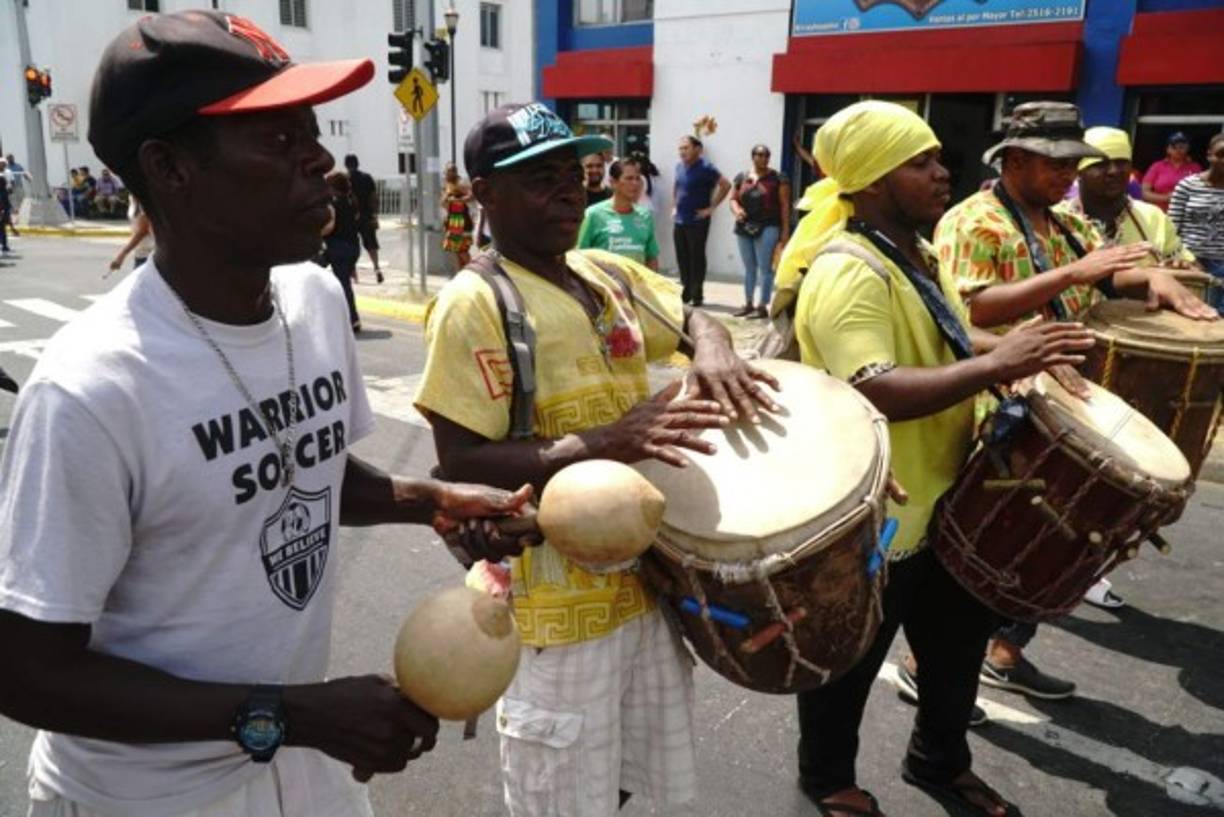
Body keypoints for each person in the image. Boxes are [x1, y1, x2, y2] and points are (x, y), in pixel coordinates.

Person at [0, 12, 538, 817]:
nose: (320, 159)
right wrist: (290, 714)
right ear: (169, 168)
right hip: (144, 793)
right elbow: (28, 671)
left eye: (312, 132)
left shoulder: (314, 299)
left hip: (294, 764)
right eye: (279, 139)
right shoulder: (93, 389)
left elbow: (297, 465)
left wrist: (428, 500)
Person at [414, 101, 779, 817]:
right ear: (484, 194)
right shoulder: (476, 302)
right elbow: (460, 461)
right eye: (537, 177)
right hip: (554, 613)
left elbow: (691, 316)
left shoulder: (604, 272)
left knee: (625, 783)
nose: (566, 190)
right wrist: (609, 441)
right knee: (563, 801)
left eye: (570, 172)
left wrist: (711, 346)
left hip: (645, 590)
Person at [790, 100, 1093, 817]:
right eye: (919, 163)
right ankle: (827, 779)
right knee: (849, 666)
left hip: (944, 500)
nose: (941, 172)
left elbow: (955, 334)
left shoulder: (914, 255)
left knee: (954, 659)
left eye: (936, 158)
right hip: (875, 516)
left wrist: (1028, 353)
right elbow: (875, 387)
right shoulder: (850, 270)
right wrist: (998, 365)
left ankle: (937, 761)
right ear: (869, 181)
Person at [934, 101, 1211, 702]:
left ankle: (1004, 652)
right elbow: (968, 311)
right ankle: (930, 663)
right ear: (1012, 160)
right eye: (1053, 163)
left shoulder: (1065, 224)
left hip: (1069, 406)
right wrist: (1071, 276)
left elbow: (1111, 274)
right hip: (997, 406)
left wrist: (1158, 281)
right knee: (987, 545)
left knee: (1062, 539)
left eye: (1071, 163)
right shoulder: (973, 221)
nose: (1068, 175)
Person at [729, 144, 791, 318]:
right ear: (753, 156)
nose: (763, 158)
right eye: (759, 154)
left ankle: (762, 306)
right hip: (744, 226)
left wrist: (785, 231)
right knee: (749, 267)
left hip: (768, 226)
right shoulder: (742, 177)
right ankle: (748, 303)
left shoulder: (779, 178)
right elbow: (733, 199)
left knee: (765, 268)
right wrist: (737, 211)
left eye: (766, 155)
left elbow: (785, 205)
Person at [673, 135, 731, 306]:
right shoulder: (679, 166)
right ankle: (686, 289)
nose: (682, 152)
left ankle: (697, 293)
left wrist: (711, 208)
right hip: (680, 219)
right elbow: (676, 186)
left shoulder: (707, 167)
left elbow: (726, 185)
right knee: (682, 256)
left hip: (697, 221)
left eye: (686, 148)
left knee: (696, 257)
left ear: (698, 149)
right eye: (680, 148)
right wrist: (674, 206)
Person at [1170, 133, 1224, 315]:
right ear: (1209, 154)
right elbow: (1171, 227)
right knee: (1191, 315)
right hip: (1191, 264)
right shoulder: (1187, 186)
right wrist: (1180, 257)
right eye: (1221, 154)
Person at [577, 156, 660, 269]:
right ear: (613, 182)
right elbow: (579, 257)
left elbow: (651, 257)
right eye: (629, 178)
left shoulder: (645, 216)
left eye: (637, 178)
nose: (635, 183)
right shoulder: (593, 215)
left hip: (636, 286)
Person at [323, 171, 363, 331]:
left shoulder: (333, 204)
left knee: (342, 285)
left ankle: (352, 319)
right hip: (353, 247)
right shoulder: (352, 202)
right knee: (341, 283)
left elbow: (329, 228)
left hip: (338, 248)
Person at [343, 154, 383, 283]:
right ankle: (377, 268)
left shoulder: (345, 179)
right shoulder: (367, 178)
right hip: (366, 216)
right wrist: (375, 215)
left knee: (350, 245)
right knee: (371, 244)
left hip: (350, 218)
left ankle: (353, 273)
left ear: (346, 165)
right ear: (358, 163)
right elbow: (374, 198)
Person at [1143, 132, 1201, 211]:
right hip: (1159, 213)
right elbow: (1144, 193)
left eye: (1181, 146)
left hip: (1185, 213)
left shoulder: (1195, 168)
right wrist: (1167, 198)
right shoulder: (1157, 166)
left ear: (1188, 148)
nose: (1178, 149)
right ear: (1168, 149)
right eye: (1174, 147)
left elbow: (1200, 193)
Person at [108, 196, 155, 276]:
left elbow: (142, 231)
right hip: (140, 253)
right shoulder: (132, 197)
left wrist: (121, 256)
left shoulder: (145, 199)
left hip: (150, 255)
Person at [441, 162, 474, 271]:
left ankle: (474, 271)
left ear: (454, 172)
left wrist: (458, 200)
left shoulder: (460, 183)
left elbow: (471, 195)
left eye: (449, 172)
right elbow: (444, 203)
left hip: (461, 220)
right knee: (456, 250)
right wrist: (445, 202)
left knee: (462, 250)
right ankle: (461, 274)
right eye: (446, 173)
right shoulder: (447, 184)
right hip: (453, 220)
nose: (447, 175)